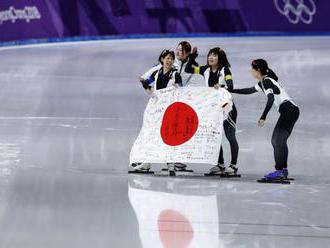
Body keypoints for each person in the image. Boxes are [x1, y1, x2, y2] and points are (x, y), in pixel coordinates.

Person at [231, 59, 300, 181]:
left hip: (288, 110)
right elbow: (249, 90)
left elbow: (271, 99)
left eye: (252, 69)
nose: (251, 71)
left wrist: (263, 116)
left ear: (258, 70)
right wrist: (230, 90)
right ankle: (283, 170)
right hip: (291, 110)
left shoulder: (266, 81)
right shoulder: (264, 81)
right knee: (280, 141)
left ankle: (280, 171)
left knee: (276, 141)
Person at [185, 47, 239, 176]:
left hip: (227, 109)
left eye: (214, 55)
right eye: (210, 55)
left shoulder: (225, 70)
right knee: (216, 137)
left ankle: (233, 165)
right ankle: (220, 165)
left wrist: (220, 86)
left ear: (220, 58)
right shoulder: (204, 69)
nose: (211, 57)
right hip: (213, 109)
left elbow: (231, 86)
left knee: (230, 136)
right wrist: (192, 56)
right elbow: (188, 69)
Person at [133, 49, 182, 176]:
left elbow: (182, 91)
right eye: (167, 58)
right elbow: (148, 84)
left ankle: (170, 163)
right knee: (150, 133)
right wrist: (145, 85)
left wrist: (178, 89)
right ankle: (147, 162)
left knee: (168, 135)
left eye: (171, 58)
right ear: (162, 60)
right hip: (155, 108)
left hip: (169, 109)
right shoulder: (157, 72)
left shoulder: (176, 74)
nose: (169, 60)